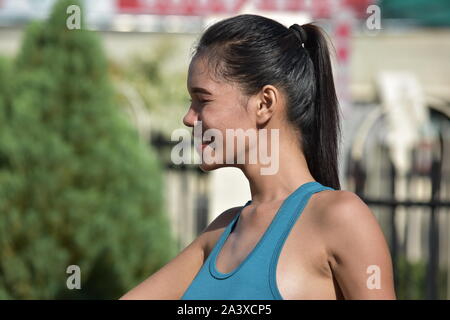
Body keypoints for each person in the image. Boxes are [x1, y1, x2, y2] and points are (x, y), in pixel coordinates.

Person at [120, 14, 396, 300]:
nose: (189, 118)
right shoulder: (222, 231)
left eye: (203, 99)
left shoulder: (340, 217)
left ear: (265, 103)